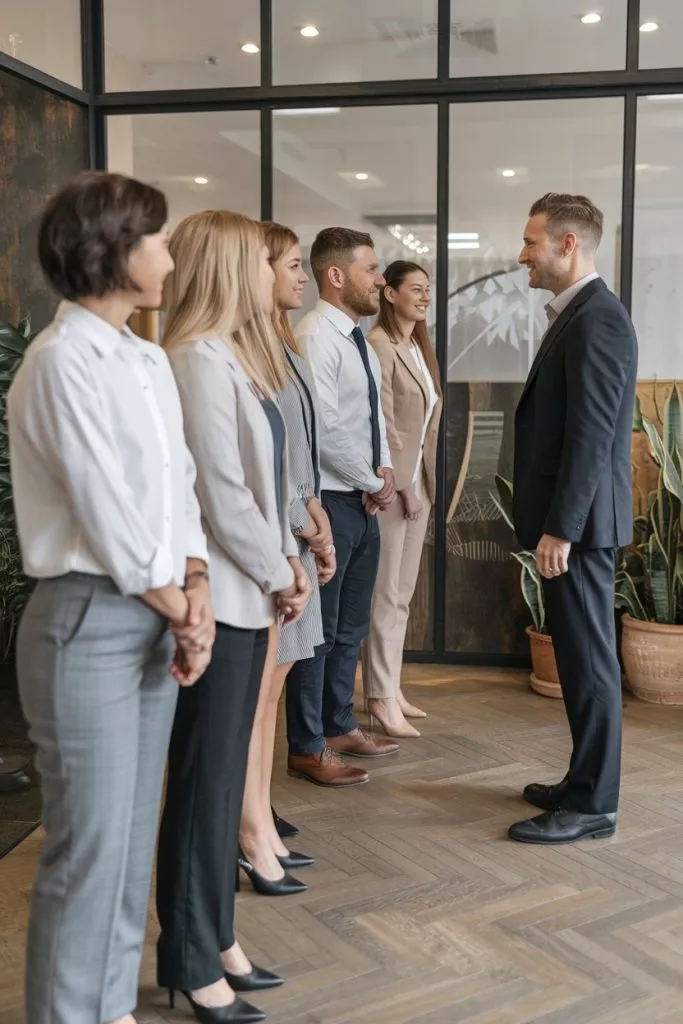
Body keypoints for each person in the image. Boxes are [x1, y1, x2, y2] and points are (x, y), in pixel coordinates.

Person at [9, 171, 214, 1024]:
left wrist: (196, 584)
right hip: (88, 617)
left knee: (131, 845)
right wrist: (181, 606)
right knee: (86, 851)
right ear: (113, 250)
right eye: (159, 240)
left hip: (157, 608)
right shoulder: (58, 362)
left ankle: (109, 1008)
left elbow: (179, 490)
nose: (170, 258)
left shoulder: (143, 359)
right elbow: (105, 509)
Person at [155, 210, 312, 1024]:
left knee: (219, 787)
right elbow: (220, 493)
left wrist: (280, 569)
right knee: (205, 784)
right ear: (227, 268)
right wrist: (282, 567)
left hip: (251, 595)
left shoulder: (225, 359)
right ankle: (188, 954)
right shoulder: (195, 361)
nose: (274, 276)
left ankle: (214, 934)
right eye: (261, 262)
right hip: (225, 595)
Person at [509, 193, 637, 846]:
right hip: (575, 524)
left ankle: (592, 803)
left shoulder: (596, 319)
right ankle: (581, 779)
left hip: (579, 529)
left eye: (531, 241)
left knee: (588, 666)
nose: (521, 253)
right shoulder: (577, 314)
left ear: (566, 245)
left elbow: (589, 436)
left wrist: (559, 528)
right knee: (582, 662)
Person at [286, 227, 400, 789]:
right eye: (372, 269)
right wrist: (370, 479)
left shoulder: (357, 338)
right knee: (320, 631)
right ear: (337, 276)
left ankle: (337, 725)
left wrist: (384, 474)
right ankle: (307, 745)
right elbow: (322, 429)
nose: (382, 280)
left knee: (350, 627)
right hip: (331, 499)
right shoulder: (315, 336)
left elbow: (369, 419)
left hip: (361, 499)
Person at [239, 222, 335, 886]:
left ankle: (258, 816)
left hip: (296, 528)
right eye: (293, 266)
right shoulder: (240, 353)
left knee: (274, 685)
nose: (302, 277)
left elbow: (296, 450)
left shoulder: (284, 345)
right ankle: (249, 826)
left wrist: (311, 511)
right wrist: (306, 521)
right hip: (277, 538)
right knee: (260, 689)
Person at [363, 261, 442, 737]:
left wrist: (423, 488)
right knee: (386, 595)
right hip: (397, 490)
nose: (424, 297)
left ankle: (391, 688)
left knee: (403, 597)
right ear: (389, 293)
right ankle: (377, 697)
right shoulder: (379, 345)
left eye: (427, 290)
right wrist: (408, 490)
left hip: (422, 487)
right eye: (415, 289)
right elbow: (386, 425)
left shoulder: (416, 346)